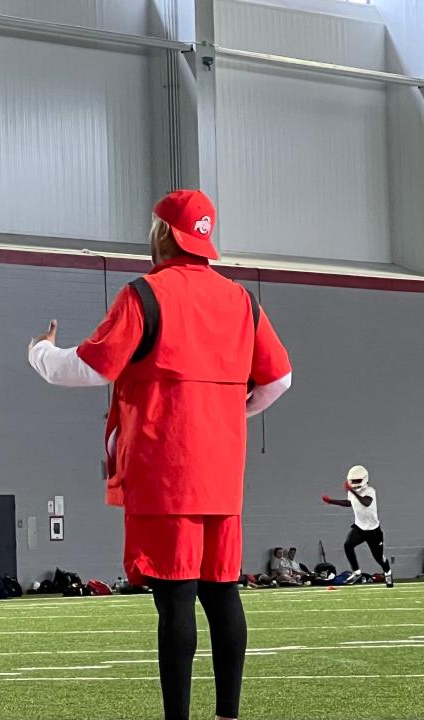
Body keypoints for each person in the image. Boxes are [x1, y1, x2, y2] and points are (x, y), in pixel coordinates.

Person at [28, 189, 292, 720]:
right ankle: (228, 714)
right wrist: (228, 414)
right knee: (222, 595)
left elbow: (92, 368)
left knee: (174, 599)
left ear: (163, 235)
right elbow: (279, 378)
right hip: (222, 473)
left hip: (165, 472)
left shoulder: (144, 295)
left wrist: (39, 353)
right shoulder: (242, 300)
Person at [322, 465, 393, 588]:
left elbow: (366, 503)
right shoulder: (352, 492)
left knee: (379, 558)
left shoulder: (370, 491)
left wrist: (353, 491)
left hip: (373, 531)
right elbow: (350, 503)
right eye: (353, 481)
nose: (354, 484)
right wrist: (331, 501)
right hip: (360, 528)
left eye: (357, 481)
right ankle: (357, 572)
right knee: (348, 545)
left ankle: (388, 572)